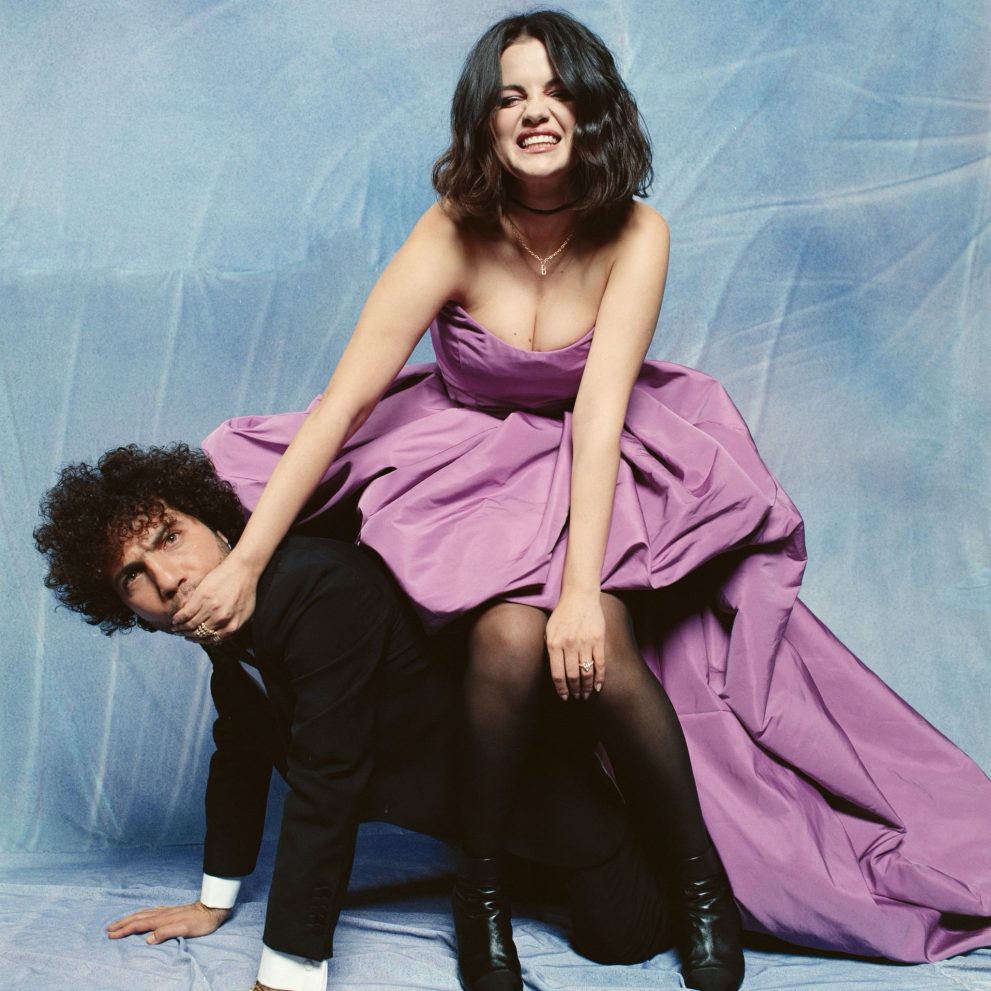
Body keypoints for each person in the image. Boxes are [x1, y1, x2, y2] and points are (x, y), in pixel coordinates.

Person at [175, 8, 990, 991]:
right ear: (484, 121)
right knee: (504, 640)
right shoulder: (450, 229)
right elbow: (342, 405)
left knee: (596, 634)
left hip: (589, 463)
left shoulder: (636, 231)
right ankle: (478, 894)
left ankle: (698, 883)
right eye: (510, 97)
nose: (534, 112)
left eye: (555, 91)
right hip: (462, 472)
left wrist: (575, 591)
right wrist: (248, 560)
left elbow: (598, 416)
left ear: (590, 108)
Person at [34, 443, 684, 991]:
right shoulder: (230, 638)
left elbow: (327, 782)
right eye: (133, 576)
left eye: (170, 537)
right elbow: (239, 757)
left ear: (216, 526)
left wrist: (286, 971)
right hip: (470, 845)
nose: (168, 579)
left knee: (623, 943)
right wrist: (213, 901)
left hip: (549, 812)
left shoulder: (315, 585)